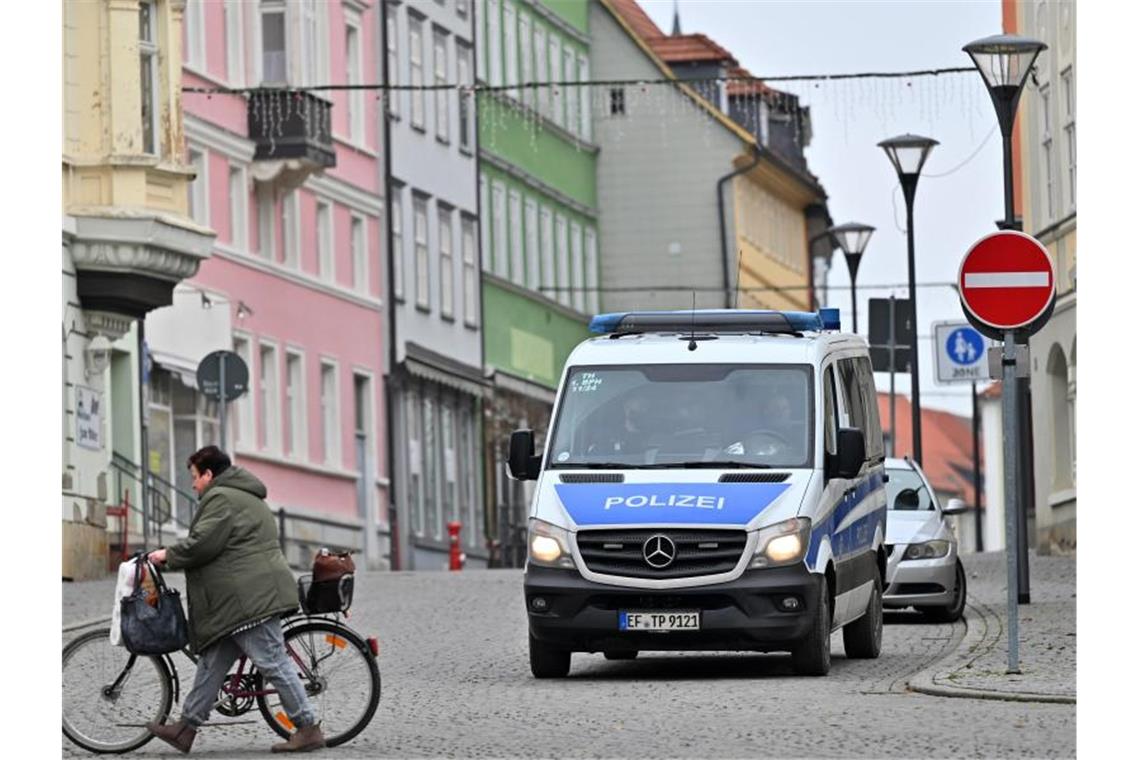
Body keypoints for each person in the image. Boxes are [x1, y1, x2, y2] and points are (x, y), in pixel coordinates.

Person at [145, 446, 325, 754]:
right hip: (240, 598)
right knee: (213, 661)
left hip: (248, 597)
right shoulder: (242, 495)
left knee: (272, 661)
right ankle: (186, 728)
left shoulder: (222, 498)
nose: (193, 484)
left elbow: (203, 544)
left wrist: (168, 555)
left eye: (194, 477)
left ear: (209, 474)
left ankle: (307, 727)